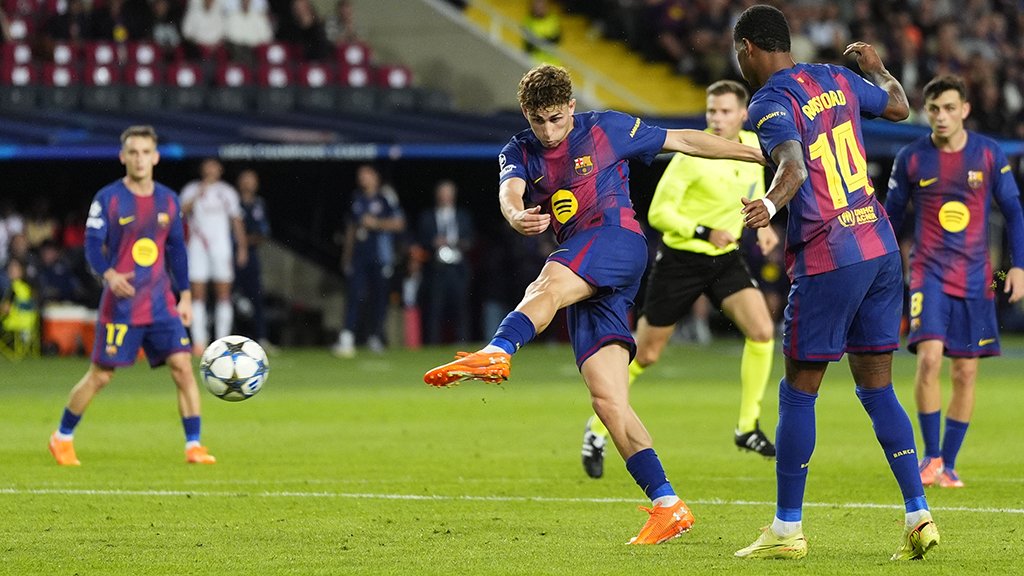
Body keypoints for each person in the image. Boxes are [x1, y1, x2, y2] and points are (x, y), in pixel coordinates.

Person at [423, 63, 765, 545]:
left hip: (616, 240)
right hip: (589, 268)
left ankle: (499, 349)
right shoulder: (518, 150)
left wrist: (759, 153)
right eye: (538, 120)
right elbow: (509, 191)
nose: (548, 131)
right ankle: (668, 504)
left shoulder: (606, 128)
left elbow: (686, 141)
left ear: (571, 107)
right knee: (608, 401)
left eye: (556, 119)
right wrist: (516, 215)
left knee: (546, 284)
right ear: (526, 114)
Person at [731, 5, 938, 560]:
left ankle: (786, 529)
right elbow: (899, 106)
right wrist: (879, 68)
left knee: (799, 390)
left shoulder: (769, 101)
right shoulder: (835, 77)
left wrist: (768, 204)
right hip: (878, 245)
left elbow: (794, 169)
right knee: (877, 388)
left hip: (830, 254)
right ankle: (918, 514)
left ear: (748, 48)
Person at [580, 79, 780, 480]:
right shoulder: (691, 157)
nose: (716, 118)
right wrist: (704, 231)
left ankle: (746, 426)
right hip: (680, 262)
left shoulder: (751, 148)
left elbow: (755, 188)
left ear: (743, 115)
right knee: (646, 354)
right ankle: (597, 430)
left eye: (725, 111)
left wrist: (763, 223)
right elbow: (658, 213)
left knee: (762, 331)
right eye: (711, 111)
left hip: (725, 260)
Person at [885, 74, 1024, 489]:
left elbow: (1014, 211)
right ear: (926, 112)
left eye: (949, 108)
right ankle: (930, 457)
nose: (941, 116)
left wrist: (1017, 267)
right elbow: (890, 217)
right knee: (928, 360)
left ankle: (949, 463)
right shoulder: (911, 157)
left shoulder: (988, 153)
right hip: (927, 272)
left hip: (977, 278)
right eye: (934, 109)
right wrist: (883, 267)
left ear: (964, 109)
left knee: (965, 372)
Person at [47, 125, 215, 466]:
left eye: (145, 152)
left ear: (155, 157)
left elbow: (177, 250)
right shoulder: (108, 198)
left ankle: (194, 445)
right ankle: (61, 437)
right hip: (122, 305)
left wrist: (184, 296)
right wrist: (109, 274)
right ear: (123, 157)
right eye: (133, 152)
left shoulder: (168, 200)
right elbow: (92, 245)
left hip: (161, 302)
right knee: (101, 375)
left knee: (183, 367)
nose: (140, 159)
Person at [332, 164, 404, 358]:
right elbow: (351, 228)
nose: (362, 178)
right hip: (359, 256)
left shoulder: (385, 197)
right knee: (355, 294)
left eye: (366, 175)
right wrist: (346, 256)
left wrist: (376, 223)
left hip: (380, 255)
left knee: (379, 297)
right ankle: (347, 336)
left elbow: (399, 223)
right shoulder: (357, 198)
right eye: (360, 175)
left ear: (375, 177)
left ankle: (376, 336)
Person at [179, 158, 248, 354]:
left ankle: (223, 341)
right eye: (207, 167)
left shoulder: (227, 192)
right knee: (197, 295)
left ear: (220, 170)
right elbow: (180, 213)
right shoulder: (191, 189)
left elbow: (236, 220)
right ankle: (199, 341)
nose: (210, 170)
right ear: (202, 170)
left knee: (223, 295)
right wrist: (198, 194)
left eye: (214, 167)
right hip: (197, 248)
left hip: (221, 248)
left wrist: (242, 247)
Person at [418, 179, 474, 345]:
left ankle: (462, 342)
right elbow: (420, 241)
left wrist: (456, 242)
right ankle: (432, 344)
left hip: (457, 267)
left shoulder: (463, 216)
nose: (444, 198)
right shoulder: (427, 217)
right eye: (442, 194)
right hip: (437, 268)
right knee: (435, 308)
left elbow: (470, 239)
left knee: (460, 308)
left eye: (448, 194)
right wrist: (433, 243)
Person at [233, 169, 276, 352]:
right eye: (245, 179)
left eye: (251, 179)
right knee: (228, 298)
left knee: (256, 298)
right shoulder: (231, 202)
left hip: (251, 256)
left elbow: (262, 233)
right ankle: (226, 340)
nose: (248, 183)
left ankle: (261, 337)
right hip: (229, 255)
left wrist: (243, 240)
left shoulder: (259, 204)